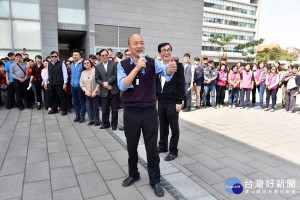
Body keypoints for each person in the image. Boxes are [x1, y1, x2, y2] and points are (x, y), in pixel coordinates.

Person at [117, 34, 177, 197]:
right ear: (129, 47)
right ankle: (133, 174)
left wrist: (170, 69)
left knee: (152, 148)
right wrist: (136, 68)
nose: (139, 46)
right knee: (131, 146)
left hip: (150, 111)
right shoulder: (122, 65)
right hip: (131, 112)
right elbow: (122, 84)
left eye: (142, 43)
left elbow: (165, 71)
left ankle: (155, 180)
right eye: (135, 43)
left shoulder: (151, 62)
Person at [156, 43, 185, 161]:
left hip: (173, 101)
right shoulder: (158, 67)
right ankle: (162, 146)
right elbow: (156, 84)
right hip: (161, 101)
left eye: (168, 50)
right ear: (160, 53)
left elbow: (181, 84)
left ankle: (173, 151)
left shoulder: (178, 66)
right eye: (163, 50)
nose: (166, 52)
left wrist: (179, 101)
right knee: (162, 125)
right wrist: (156, 99)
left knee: (174, 127)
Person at [95, 49, 119, 130]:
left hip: (114, 89)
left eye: (106, 55)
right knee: (104, 109)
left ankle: (114, 124)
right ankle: (105, 123)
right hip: (104, 90)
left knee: (114, 109)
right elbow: (97, 79)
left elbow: (116, 76)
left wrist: (107, 82)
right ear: (100, 57)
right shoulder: (97, 66)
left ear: (109, 55)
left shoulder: (114, 64)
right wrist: (103, 84)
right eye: (103, 55)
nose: (105, 56)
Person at [44, 51, 68, 116]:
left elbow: (65, 74)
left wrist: (65, 83)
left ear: (57, 56)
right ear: (50, 57)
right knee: (52, 97)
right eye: (52, 56)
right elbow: (47, 74)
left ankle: (64, 110)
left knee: (62, 97)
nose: (54, 57)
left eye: (55, 56)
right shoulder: (49, 64)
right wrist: (45, 82)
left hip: (60, 83)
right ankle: (54, 109)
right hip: (51, 83)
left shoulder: (61, 64)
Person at [80, 59, 101, 126]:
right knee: (89, 107)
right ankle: (91, 119)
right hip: (87, 93)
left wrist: (95, 91)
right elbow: (81, 83)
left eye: (88, 62)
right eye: (85, 63)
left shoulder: (95, 71)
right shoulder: (83, 73)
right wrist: (86, 91)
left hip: (95, 92)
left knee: (95, 107)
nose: (86, 64)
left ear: (90, 63)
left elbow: (99, 82)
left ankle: (97, 120)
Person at [71, 49, 86, 123]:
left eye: (76, 55)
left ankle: (82, 115)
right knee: (75, 102)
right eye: (73, 55)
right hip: (73, 86)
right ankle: (77, 115)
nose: (75, 56)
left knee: (82, 102)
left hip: (80, 86)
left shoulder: (83, 64)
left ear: (80, 56)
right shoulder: (72, 64)